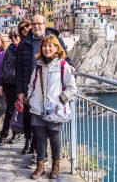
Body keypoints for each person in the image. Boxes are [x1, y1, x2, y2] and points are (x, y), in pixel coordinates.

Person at [16, 15, 74, 156]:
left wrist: (70, 64)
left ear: (44, 24)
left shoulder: (54, 38)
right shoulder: (24, 43)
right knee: (33, 122)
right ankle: (36, 151)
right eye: (33, 24)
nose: (36, 26)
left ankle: (41, 155)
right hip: (32, 88)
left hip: (50, 91)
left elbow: (64, 54)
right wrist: (20, 91)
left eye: (39, 23)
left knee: (49, 128)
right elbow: (19, 67)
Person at [27, 35, 77, 180]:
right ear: (41, 48)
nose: (47, 48)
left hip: (55, 109)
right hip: (38, 107)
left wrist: (61, 99)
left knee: (54, 138)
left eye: (50, 46)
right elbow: (31, 84)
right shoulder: (38, 65)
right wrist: (30, 98)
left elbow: (72, 88)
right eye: (44, 46)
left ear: (56, 48)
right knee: (40, 138)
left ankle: (56, 167)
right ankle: (40, 166)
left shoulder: (62, 65)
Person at [0, 28, 22, 146]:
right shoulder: (9, 50)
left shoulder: (24, 49)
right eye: (11, 38)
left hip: (19, 83)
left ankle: (10, 134)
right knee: (10, 109)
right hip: (8, 82)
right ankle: (8, 133)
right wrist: (0, 83)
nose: (14, 40)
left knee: (15, 110)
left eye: (16, 37)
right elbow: (2, 67)